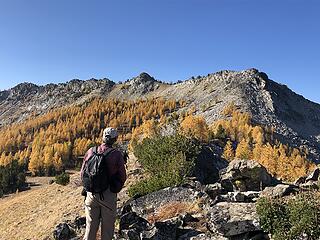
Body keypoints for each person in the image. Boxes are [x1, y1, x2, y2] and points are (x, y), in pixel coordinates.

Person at [81, 127, 127, 240]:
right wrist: (114, 189)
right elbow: (122, 176)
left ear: (103, 137)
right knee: (107, 230)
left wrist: (88, 188)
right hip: (107, 195)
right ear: (115, 139)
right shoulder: (116, 154)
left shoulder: (91, 151)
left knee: (90, 227)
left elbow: (82, 173)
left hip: (91, 194)